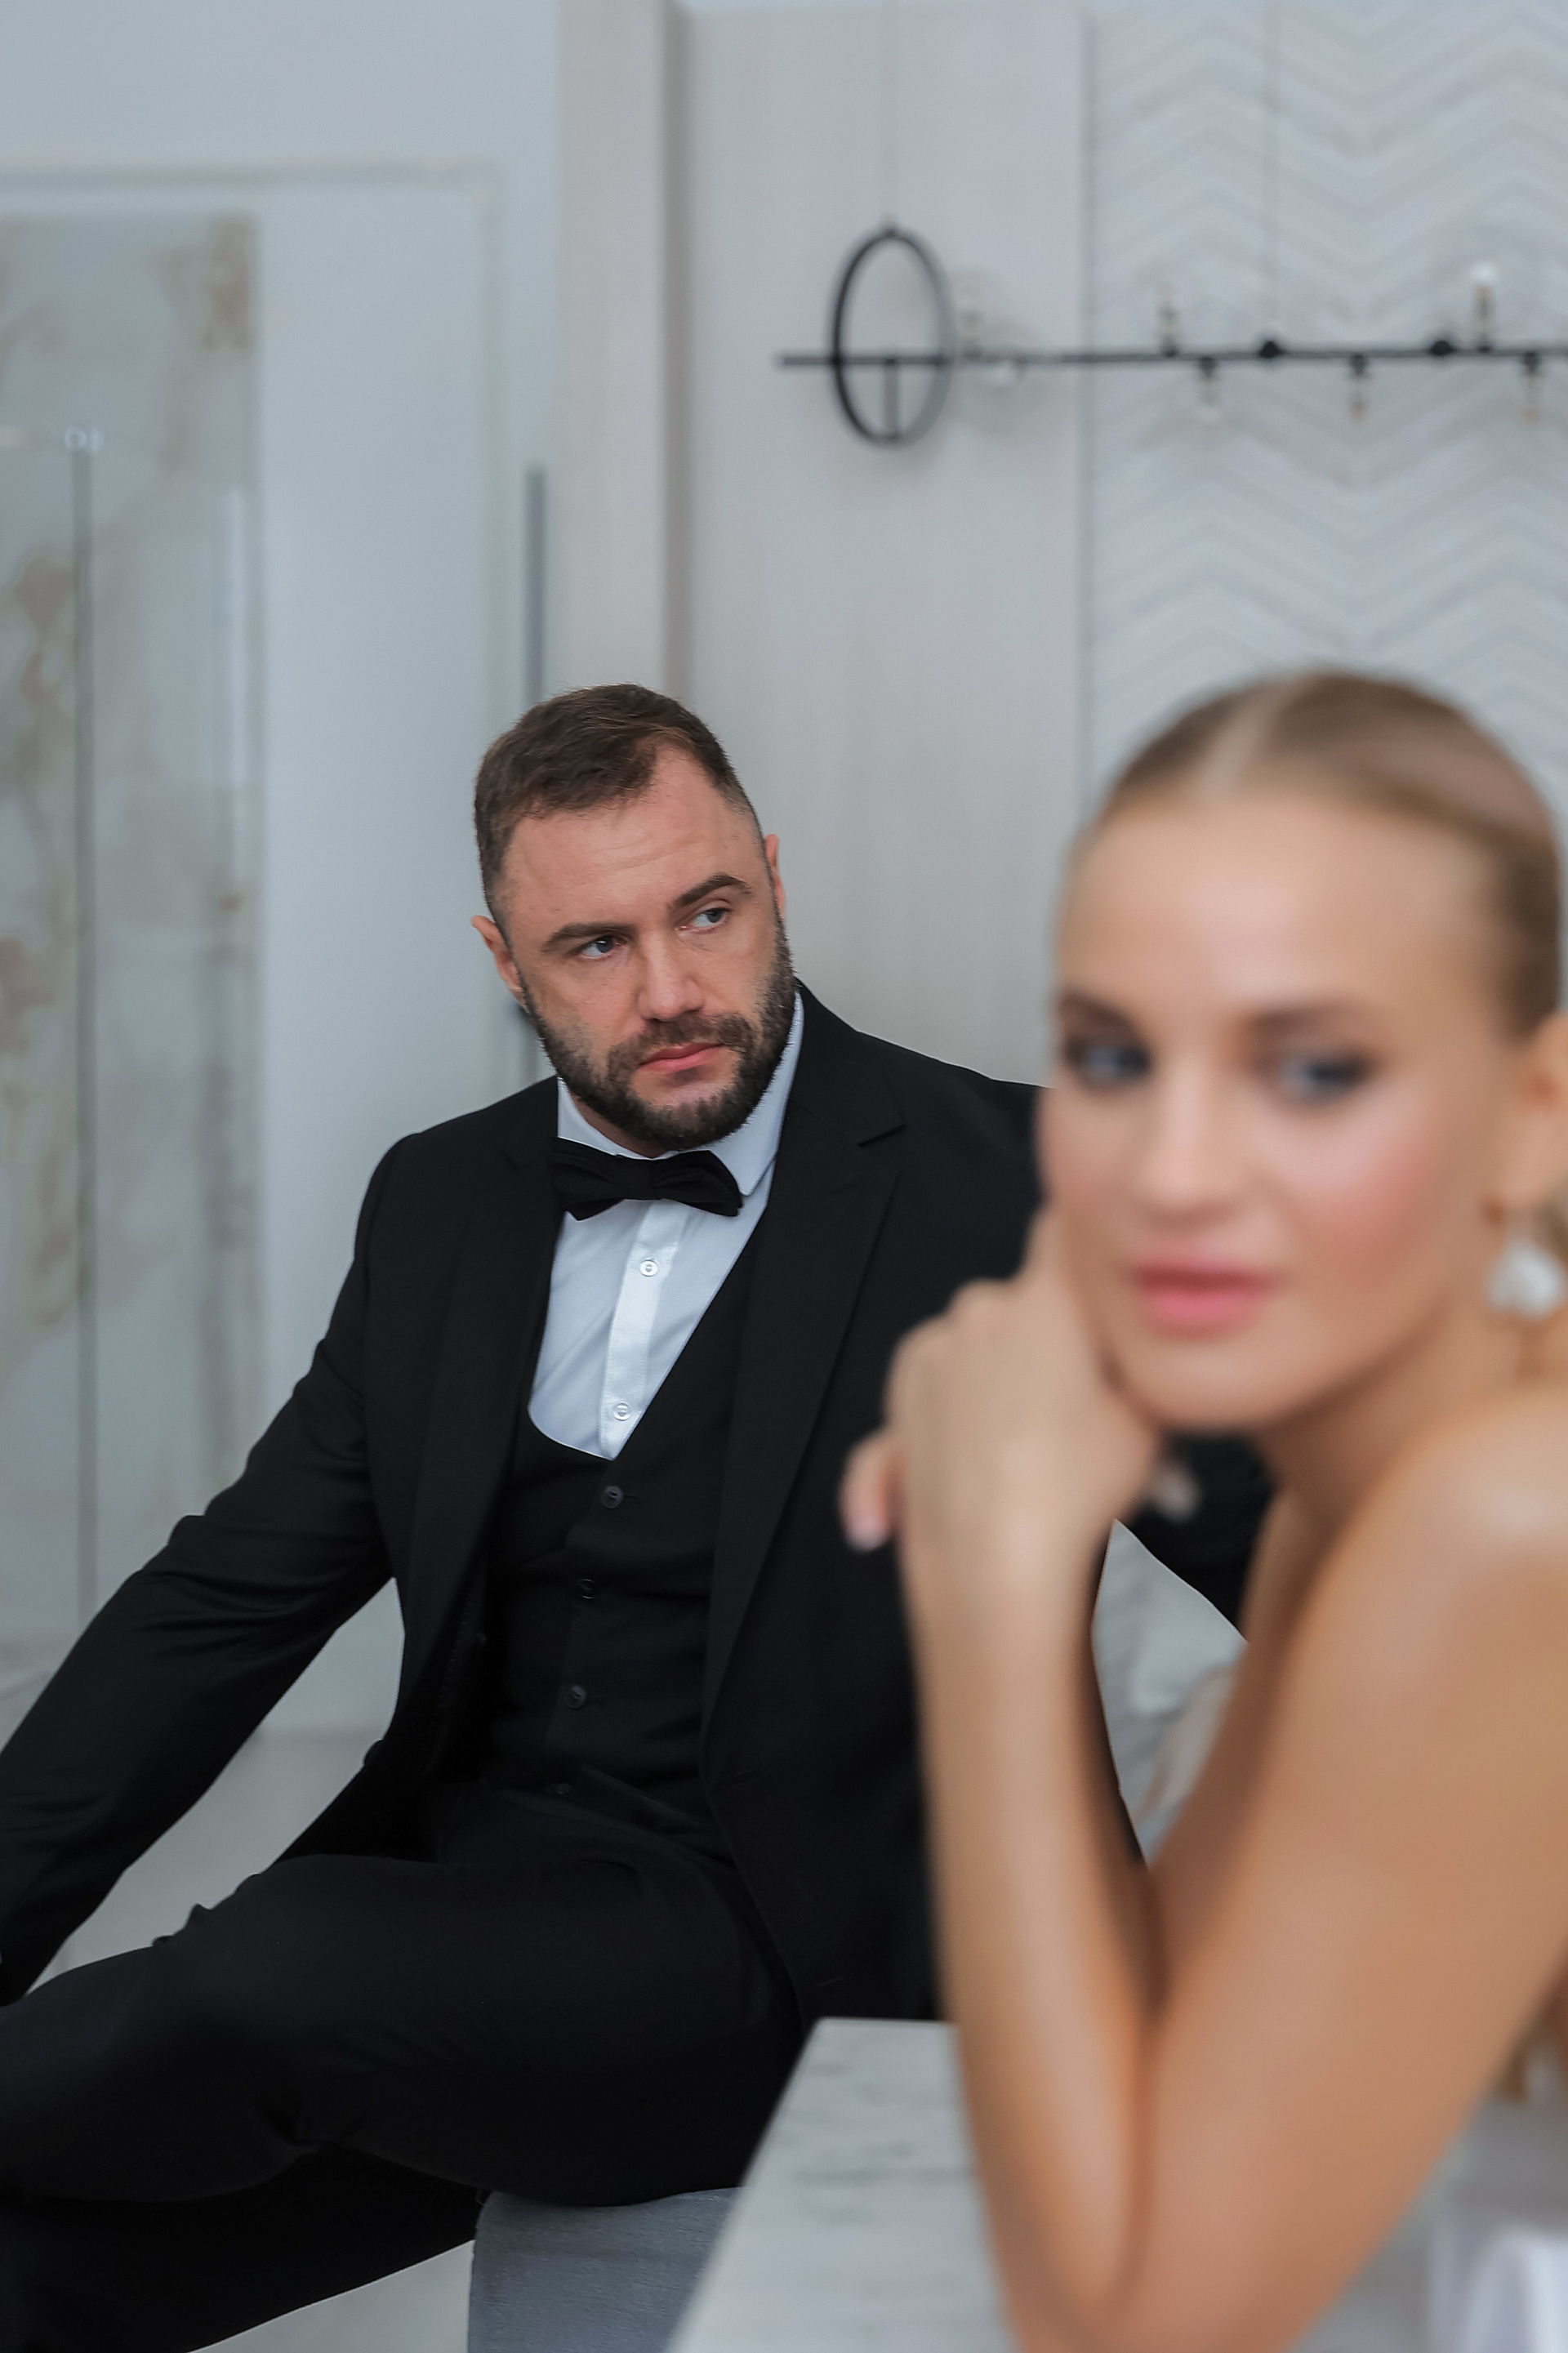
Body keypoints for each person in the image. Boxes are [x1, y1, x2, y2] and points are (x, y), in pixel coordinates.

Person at [0, 684, 1257, 2351]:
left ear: (774, 879)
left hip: (783, 1967)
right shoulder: (441, 1199)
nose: (671, 990)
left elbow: (1318, 1566)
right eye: (594, 945)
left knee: (267, 1966)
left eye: (709, 913)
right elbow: (218, 1606)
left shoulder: (1029, 1187)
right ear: (505, 961)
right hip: (476, 1947)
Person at [844, 670, 1568, 2353]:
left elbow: (1124, 2326)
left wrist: (992, 1586)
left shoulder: (1508, 1517)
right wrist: (1034, 1547)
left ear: (1531, 1115)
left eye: (1312, 1070)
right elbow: (1153, 2068)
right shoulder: (1371, 1478)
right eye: (1112, 1056)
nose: (1173, 1172)